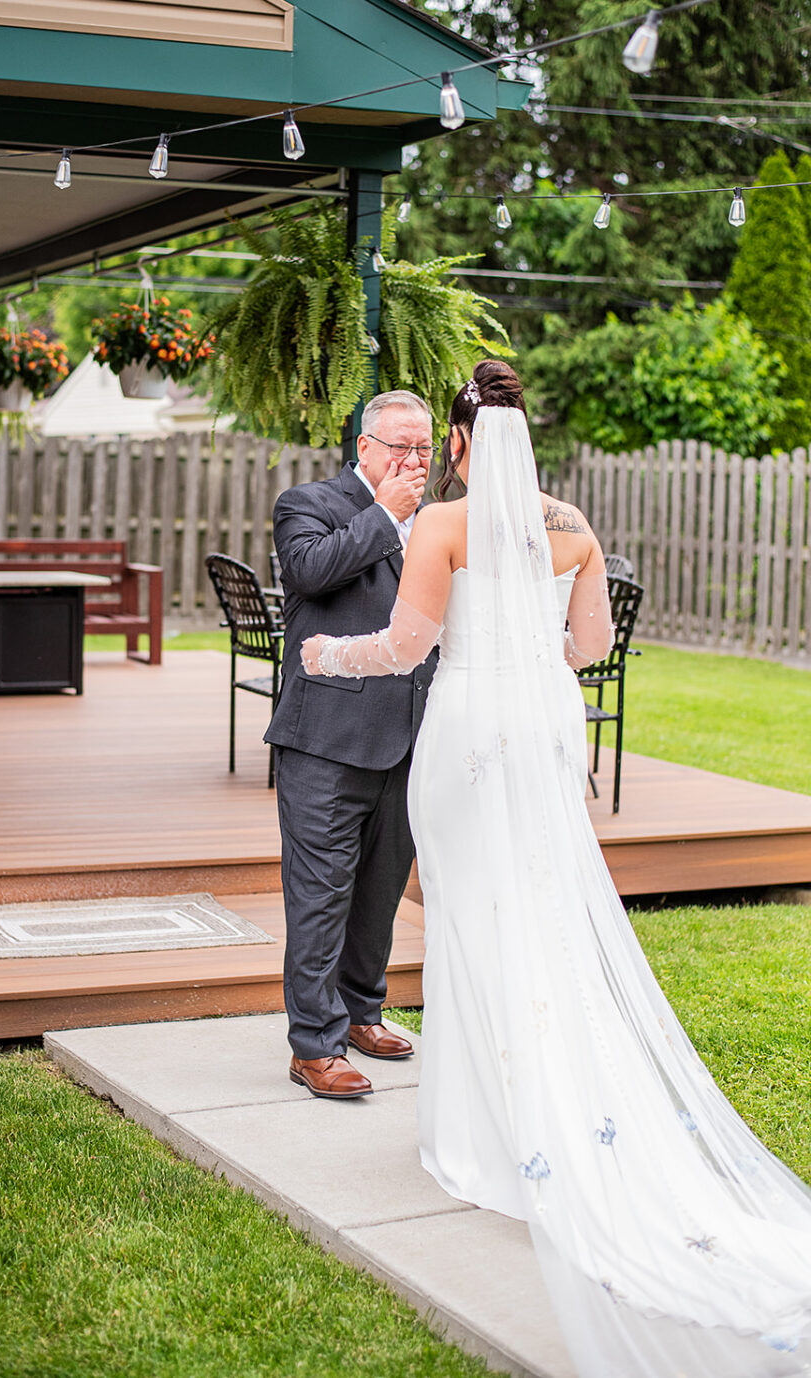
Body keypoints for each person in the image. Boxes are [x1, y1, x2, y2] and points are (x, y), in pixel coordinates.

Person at [301, 360, 811, 1378]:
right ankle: (548, 1114)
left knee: (471, 922)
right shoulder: (571, 528)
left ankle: (482, 1141)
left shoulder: (443, 525)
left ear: (457, 442)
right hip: (541, 734)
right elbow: (587, 646)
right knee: (538, 915)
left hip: (465, 736)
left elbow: (405, 648)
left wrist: (324, 657)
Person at [266, 390, 438, 1100]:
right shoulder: (307, 503)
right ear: (363, 447)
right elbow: (310, 573)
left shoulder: (437, 523)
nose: (414, 460)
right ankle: (313, 1045)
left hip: (410, 740)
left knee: (379, 893)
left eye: (424, 448)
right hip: (327, 741)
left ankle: (362, 1012)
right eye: (400, 445)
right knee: (320, 895)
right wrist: (388, 514)